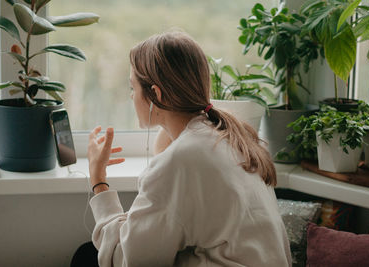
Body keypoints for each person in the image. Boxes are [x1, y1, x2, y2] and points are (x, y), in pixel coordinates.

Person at [84, 31, 292, 267]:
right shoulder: (227, 135)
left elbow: (128, 260)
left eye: (133, 87)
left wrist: (98, 181)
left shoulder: (182, 160)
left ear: (155, 94)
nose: (131, 97)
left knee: (86, 256)